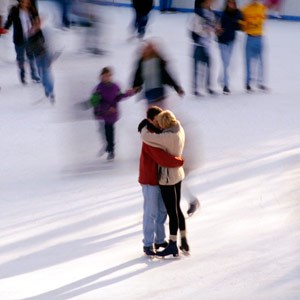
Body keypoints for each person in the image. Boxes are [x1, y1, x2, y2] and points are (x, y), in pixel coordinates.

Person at [141, 110, 189, 257]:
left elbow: (145, 136)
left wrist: (144, 125)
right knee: (177, 209)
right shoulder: (179, 129)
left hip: (168, 177)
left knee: (171, 212)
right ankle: (183, 240)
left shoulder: (167, 137)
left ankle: (173, 245)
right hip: (178, 175)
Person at [88, 67, 135, 160]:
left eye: (109, 75)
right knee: (104, 131)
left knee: (110, 130)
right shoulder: (99, 88)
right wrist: (107, 107)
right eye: (105, 76)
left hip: (112, 113)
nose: (107, 77)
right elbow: (96, 102)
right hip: (102, 113)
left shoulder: (115, 86)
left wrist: (128, 93)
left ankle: (111, 149)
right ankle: (108, 146)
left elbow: (118, 97)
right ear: (101, 77)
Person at [131, 40, 184, 108]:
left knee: (160, 112)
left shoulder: (158, 61)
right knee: (152, 113)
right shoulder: (142, 62)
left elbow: (167, 76)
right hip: (149, 92)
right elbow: (138, 75)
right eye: (146, 48)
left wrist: (177, 87)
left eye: (149, 48)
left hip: (159, 91)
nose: (147, 50)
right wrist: (136, 86)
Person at [4, 0, 40, 85]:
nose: (25, 4)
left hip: (30, 38)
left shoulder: (32, 10)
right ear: (20, 2)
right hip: (19, 39)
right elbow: (9, 21)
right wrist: (5, 28)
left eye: (27, 2)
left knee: (31, 58)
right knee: (21, 59)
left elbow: (36, 22)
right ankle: (22, 76)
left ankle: (34, 76)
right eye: (23, 2)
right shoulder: (14, 10)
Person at [190, 0, 216, 96]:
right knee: (197, 67)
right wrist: (203, 29)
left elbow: (212, 26)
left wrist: (214, 29)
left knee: (209, 66)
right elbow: (193, 28)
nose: (211, 3)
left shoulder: (211, 14)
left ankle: (208, 86)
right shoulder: (197, 14)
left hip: (207, 44)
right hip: (199, 45)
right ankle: (196, 88)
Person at [216, 0, 243, 95]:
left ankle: (221, 78)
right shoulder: (222, 14)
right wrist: (218, 31)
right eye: (229, 3)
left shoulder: (238, 13)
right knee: (225, 62)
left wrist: (239, 25)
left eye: (233, 3)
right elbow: (217, 27)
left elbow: (241, 25)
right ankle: (225, 85)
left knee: (226, 63)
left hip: (231, 41)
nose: (231, 4)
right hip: (222, 42)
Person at [241, 0, 267, 92]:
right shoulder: (245, 9)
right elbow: (241, 23)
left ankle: (261, 82)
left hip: (259, 37)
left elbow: (263, 20)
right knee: (248, 61)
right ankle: (248, 83)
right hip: (250, 37)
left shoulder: (262, 8)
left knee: (261, 61)